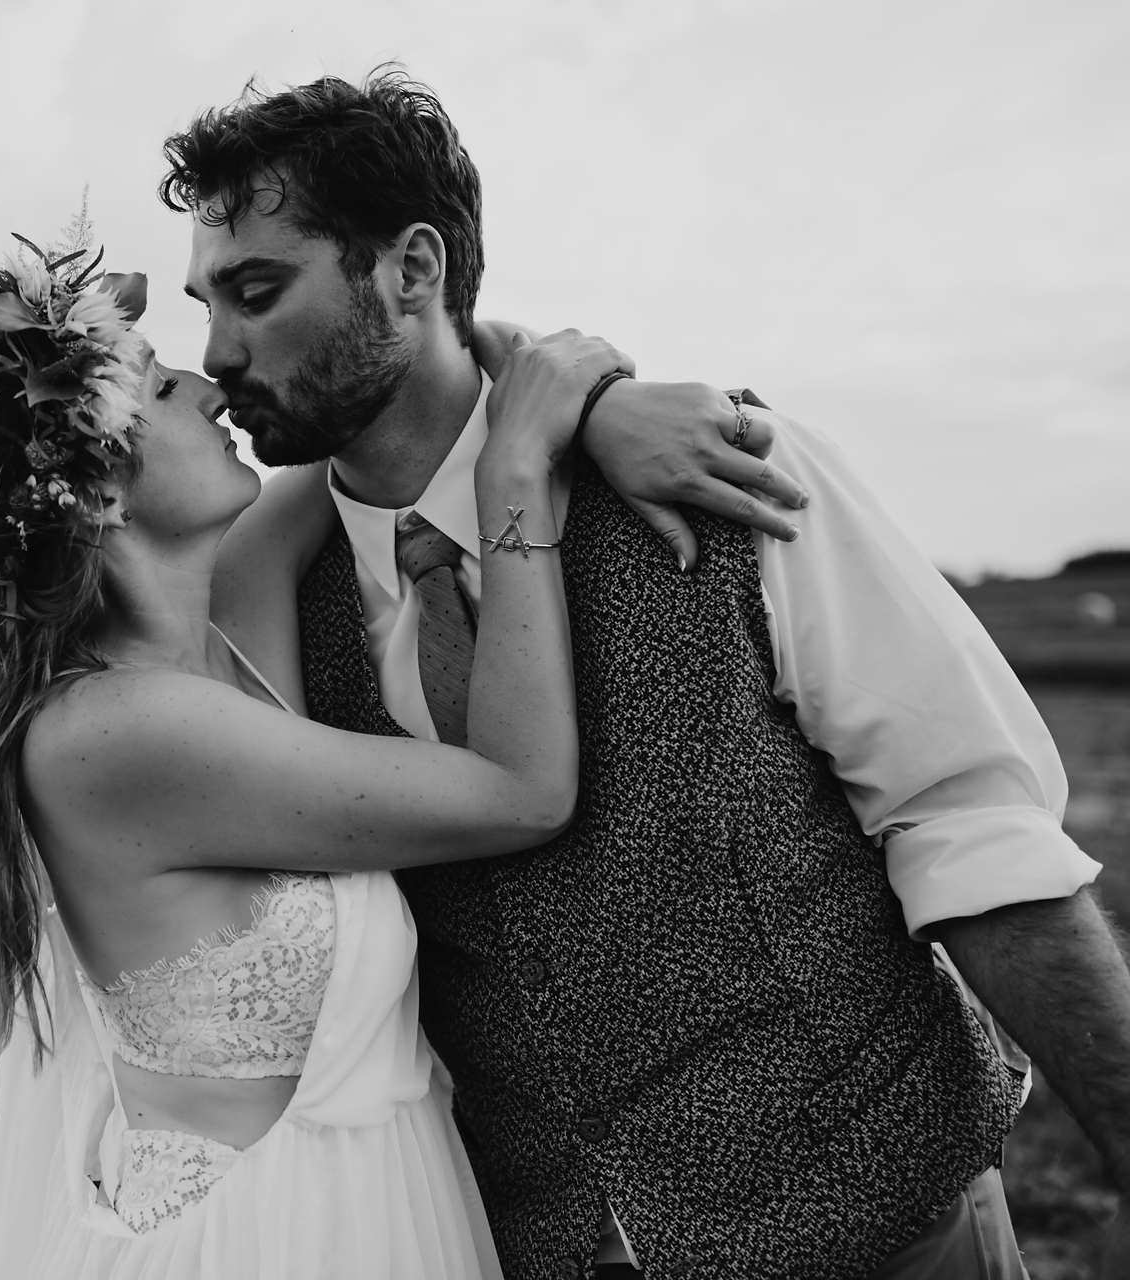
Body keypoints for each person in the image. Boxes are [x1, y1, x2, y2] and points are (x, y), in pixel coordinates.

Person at [167, 69, 1130, 1280]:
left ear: (412, 270)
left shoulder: (724, 477)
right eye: (209, 300)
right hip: (547, 1246)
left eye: (258, 291)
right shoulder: (268, 607)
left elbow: (976, 831)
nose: (215, 349)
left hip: (892, 1224)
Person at [0, 226, 797, 1278]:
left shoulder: (234, 607)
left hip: (378, 1207)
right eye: (163, 388)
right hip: (264, 1241)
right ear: (101, 493)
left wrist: (597, 399)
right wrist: (519, 472)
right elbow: (521, 790)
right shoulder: (116, 731)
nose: (211, 385)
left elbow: (403, 390)